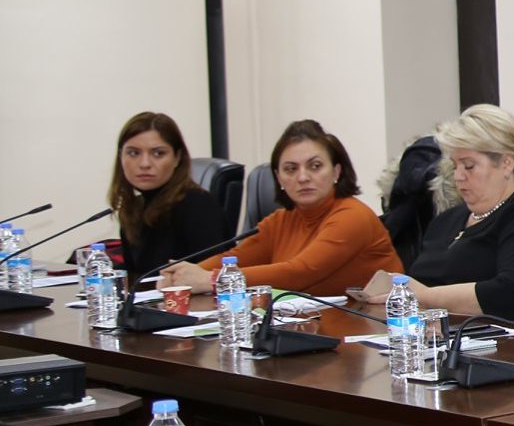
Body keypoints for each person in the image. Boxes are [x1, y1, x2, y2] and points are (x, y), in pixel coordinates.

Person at [363, 105, 514, 327]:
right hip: (442, 338)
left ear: (506, 164)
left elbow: (511, 292)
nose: (458, 176)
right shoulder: (446, 220)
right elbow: (422, 281)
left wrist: (424, 297)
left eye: (469, 166)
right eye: (454, 166)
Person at [160, 119, 402, 298]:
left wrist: (211, 280)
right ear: (279, 178)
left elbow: (300, 272)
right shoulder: (281, 221)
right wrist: (184, 274)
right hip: (309, 330)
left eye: (315, 166)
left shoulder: (352, 216)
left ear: (336, 171)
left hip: (373, 333)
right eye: (290, 169)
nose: (303, 177)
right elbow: (234, 259)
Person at [108, 112, 227, 282]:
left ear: (177, 158)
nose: (144, 164)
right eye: (134, 153)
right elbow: (134, 276)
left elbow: (214, 278)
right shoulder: (134, 207)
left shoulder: (198, 206)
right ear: (121, 156)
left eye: (158, 153)